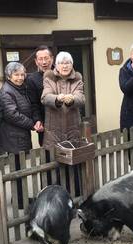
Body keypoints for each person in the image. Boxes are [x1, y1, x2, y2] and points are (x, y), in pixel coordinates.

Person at [0, 62, 43, 208]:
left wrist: (37, 120)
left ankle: (20, 198)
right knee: (17, 169)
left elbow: (32, 106)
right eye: (16, 75)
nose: (20, 77)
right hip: (13, 137)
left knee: (21, 168)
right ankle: (18, 200)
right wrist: (32, 124)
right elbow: (12, 115)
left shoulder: (23, 88)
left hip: (21, 135)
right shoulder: (7, 91)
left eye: (22, 74)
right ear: (9, 76)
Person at [41, 51, 85, 195]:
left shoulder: (77, 79)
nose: (65, 66)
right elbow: (45, 97)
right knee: (54, 165)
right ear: (57, 65)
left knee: (73, 165)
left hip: (72, 129)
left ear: (72, 65)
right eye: (62, 63)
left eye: (68, 63)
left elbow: (81, 98)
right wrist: (57, 99)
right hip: (54, 130)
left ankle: (75, 196)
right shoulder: (49, 77)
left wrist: (72, 99)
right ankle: (54, 196)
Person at [26, 45, 54, 146]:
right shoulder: (32, 79)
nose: (44, 62)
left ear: (52, 58)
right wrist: (38, 120)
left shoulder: (61, 74)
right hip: (46, 125)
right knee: (48, 156)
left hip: (63, 124)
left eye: (46, 58)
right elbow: (34, 104)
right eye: (40, 59)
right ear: (36, 61)